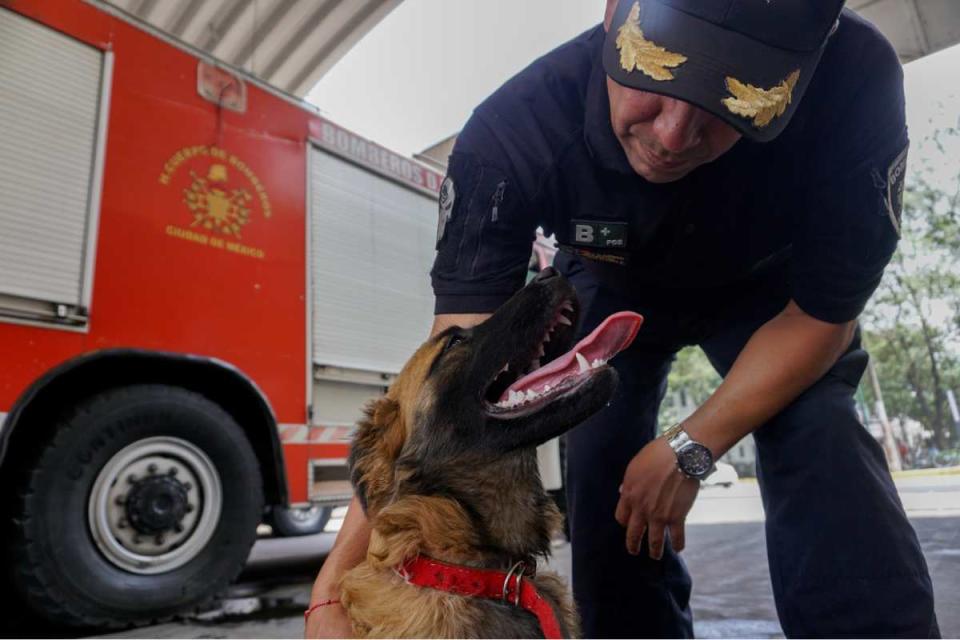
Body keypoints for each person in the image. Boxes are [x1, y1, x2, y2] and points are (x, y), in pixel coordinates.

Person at [308, 0, 941, 637]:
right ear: (615, 13)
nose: (672, 136)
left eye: (732, 103)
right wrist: (333, 585)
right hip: (612, 284)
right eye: (658, 76)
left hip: (771, 299)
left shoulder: (854, 78)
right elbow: (448, 381)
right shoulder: (514, 133)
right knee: (606, 471)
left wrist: (691, 447)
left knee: (817, 430)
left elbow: (822, 317)